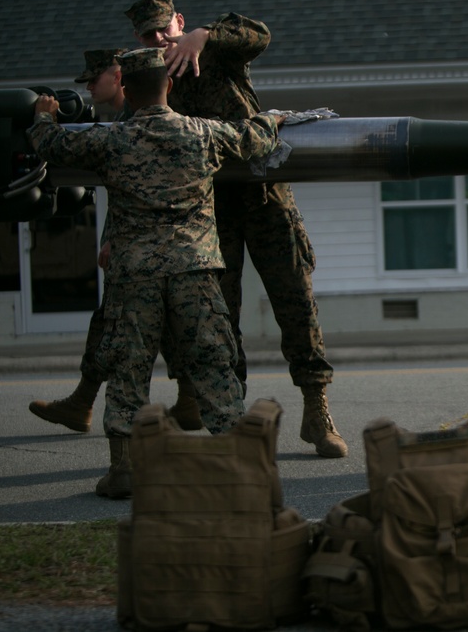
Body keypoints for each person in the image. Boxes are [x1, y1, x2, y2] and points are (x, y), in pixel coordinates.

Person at [27, 47, 287, 497]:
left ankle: (124, 469)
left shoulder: (111, 140)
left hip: (135, 274)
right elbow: (254, 138)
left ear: (126, 89)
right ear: (168, 85)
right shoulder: (202, 133)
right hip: (194, 269)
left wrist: (44, 116)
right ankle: (239, 466)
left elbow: (50, 144)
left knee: (130, 367)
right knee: (212, 363)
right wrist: (274, 118)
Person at [124, 0, 346, 457]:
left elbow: (259, 35)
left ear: (178, 20)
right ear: (139, 38)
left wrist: (204, 36)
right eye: (151, 34)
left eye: (167, 28)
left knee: (296, 304)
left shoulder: (213, 48)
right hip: (210, 209)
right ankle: (235, 421)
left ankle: (316, 410)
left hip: (266, 197)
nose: (162, 39)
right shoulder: (148, 77)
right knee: (220, 320)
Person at [28, 48, 205, 434]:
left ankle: (94, 409)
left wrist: (43, 117)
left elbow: (137, 189)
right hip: (168, 250)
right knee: (150, 323)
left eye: (96, 77)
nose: (90, 85)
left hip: (146, 251)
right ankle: (180, 399)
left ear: (119, 74)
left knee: (121, 327)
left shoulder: (138, 119)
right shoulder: (134, 115)